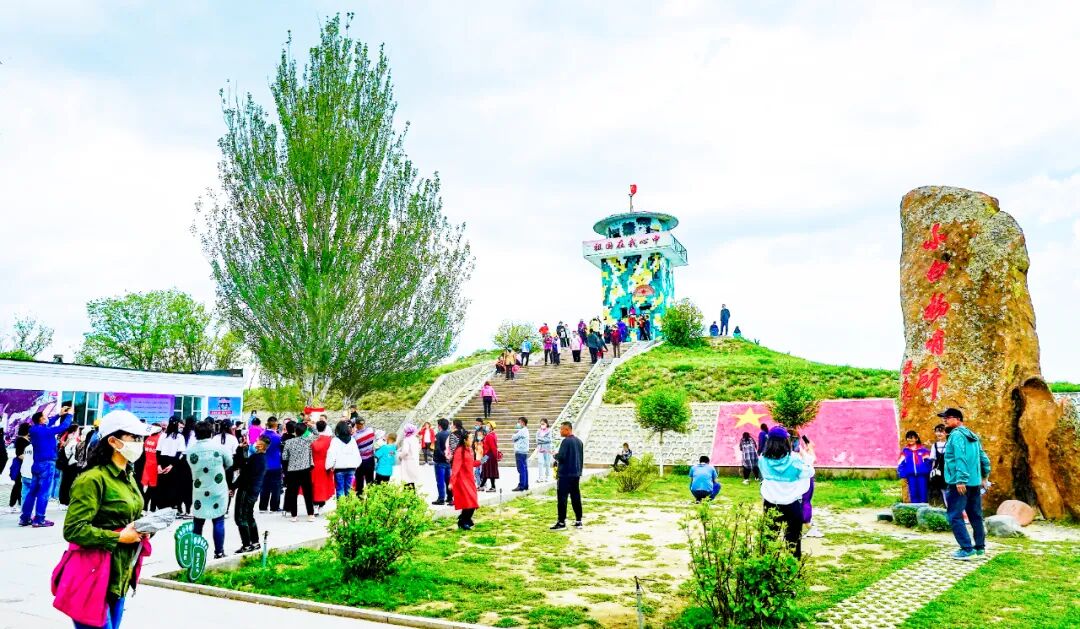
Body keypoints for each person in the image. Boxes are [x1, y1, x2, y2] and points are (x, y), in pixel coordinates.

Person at [60, 410, 156, 629]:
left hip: (119, 576)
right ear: (113, 441)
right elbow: (73, 529)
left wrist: (143, 528)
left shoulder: (128, 475)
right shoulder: (92, 479)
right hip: (92, 577)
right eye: (134, 438)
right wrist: (118, 537)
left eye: (141, 438)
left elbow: (129, 515)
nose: (140, 443)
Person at [940, 408, 991, 560]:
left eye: (947, 417)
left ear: (958, 419)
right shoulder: (972, 435)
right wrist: (984, 476)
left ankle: (967, 549)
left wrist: (961, 479)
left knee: (955, 516)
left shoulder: (956, 435)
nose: (944, 420)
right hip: (974, 482)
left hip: (960, 484)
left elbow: (960, 457)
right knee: (975, 515)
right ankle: (980, 548)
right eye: (944, 418)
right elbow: (983, 457)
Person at [758, 426, 814, 559]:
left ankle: (766, 565)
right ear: (786, 442)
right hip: (792, 505)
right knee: (793, 542)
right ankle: (792, 566)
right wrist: (807, 455)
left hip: (770, 504)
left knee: (769, 539)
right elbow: (810, 472)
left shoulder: (762, 460)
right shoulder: (794, 460)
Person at [20, 406, 74, 527]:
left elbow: (48, 424)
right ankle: (39, 519)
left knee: (32, 492)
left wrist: (59, 415)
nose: (47, 418)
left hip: (36, 464)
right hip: (47, 464)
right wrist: (69, 414)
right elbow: (63, 427)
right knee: (44, 493)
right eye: (45, 417)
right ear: (41, 420)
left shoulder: (34, 430)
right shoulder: (46, 431)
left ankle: (25, 518)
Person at [187, 420, 233, 559]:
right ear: (211, 432)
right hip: (217, 488)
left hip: (199, 488)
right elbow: (229, 462)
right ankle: (219, 552)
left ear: (196, 434)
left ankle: (195, 553)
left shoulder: (190, 450)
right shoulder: (219, 447)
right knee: (218, 520)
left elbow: (190, 466)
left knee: (198, 522)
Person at [235, 434, 268, 553]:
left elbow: (244, 473)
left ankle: (246, 544)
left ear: (261, 446)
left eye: (257, 441)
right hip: (254, 490)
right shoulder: (261, 458)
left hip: (246, 490)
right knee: (249, 515)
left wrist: (233, 486)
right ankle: (255, 542)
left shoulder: (256, 458)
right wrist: (242, 449)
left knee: (241, 517)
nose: (255, 443)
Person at [551, 421, 584, 530]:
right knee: (576, 497)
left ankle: (561, 522)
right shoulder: (579, 442)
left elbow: (562, 457)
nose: (560, 431)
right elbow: (580, 459)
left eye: (561, 429)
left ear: (567, 429)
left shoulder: (566, 441)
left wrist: (555, 455)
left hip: (565, 474)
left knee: (562, 498)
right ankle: (578, 520)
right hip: (576, 474)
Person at [281, 421, 316, 522]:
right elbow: (316, 434)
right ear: (304, 432)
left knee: (293, 493)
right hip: (305, 470)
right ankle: (310, 514)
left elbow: (284, 457)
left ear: (295, 431)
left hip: (292, 471)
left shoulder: (288, 442)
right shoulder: (307, 440)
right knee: (308, 493)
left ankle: (294, 516)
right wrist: (311, 426)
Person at [450, 427, 481, 530]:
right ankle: (464, 521)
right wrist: (452, 482)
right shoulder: (460, 451)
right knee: (469, 501)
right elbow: (455, 467)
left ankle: (465, 519)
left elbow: (472, 463)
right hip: (462, 480)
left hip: (470, 479)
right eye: (470, 438)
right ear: (465, 440)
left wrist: (485, 459)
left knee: (473, 501)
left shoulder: (470, 450)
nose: (472, 440)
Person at [326, 420, 360, 497]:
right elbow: (357, 454)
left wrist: (329, 466)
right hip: (351, 468)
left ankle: (342, 505)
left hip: (339, 470)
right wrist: (356, 465)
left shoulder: (335, 440)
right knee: (349, 490)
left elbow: (331, 454)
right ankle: (349, 504)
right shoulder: (352, 440)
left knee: (340, 490)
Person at [897, 430, 932, 504]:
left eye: (912, 437)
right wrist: (904, 474)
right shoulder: (905, 451)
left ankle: (923, 508)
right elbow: (900, 464)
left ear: (916, 439)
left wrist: (927, 471)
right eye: (908, 438)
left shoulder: (923, 450)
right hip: (911, 475)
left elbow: (929, 462)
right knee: (913, 493)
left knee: (923, 492)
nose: (910, 439)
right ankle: (915, 508)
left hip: (922, 475)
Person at [309, 420, 334, 515]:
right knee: (324, 485)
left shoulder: (312, 438)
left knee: (315, 485)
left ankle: (314, 505)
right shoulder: (329, 439)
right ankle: (321, 505)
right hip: (325, 464)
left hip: (314, 464)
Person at [258, 417, 283, 513]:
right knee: (276, 487)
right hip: (275, 464)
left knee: (264, 486)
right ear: (276, 425)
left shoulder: (262, 435)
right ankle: (274, 507)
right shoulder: (278, 437)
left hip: (264, 463)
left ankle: (263, 507)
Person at [9, 422, 31, 511]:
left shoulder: (28, 439)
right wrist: (29, 459)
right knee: (18, 485)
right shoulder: (20, 440)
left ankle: (19, 504)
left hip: (25, 466)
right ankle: (12, 504)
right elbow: (19, 454)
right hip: (21, 466)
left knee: (21, 485)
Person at [432, 418, 453, 505]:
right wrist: (449, 457)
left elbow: (437, 449)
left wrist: (444, 456)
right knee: (448, 480)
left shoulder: (438, 435)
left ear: (439, 426)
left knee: (440, 481)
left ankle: (441, 499)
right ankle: (450, 497)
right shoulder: (451, 434)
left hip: (440, 461)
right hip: (448, 461)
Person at [926, 423, 949, 507]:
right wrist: (932, 471)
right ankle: (947, 506)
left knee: (949, 488)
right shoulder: (934, 445)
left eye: (941, 431)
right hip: (939, 471)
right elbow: (933, 460)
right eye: (937, 431)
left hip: (948, 469)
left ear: (946, 433)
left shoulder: (950, 444)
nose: (939, 433)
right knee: (942, 489)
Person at [139, 425, 161, 511]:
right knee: (154, 489)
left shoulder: (147, 439)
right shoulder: (159, 439)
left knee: (149, 488)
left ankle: (146, 507)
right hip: (155, 466)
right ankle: (151, 508)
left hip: (148, 465)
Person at [354, 417, 377, 494]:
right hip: (371, 459)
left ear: (356, 425)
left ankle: (359, 498)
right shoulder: (370, 430)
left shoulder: (355, 436)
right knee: (370, 480)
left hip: (361, 461)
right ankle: (371, 497)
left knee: (359, 482)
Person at [397, 423, 423, 490]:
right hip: (414, 461)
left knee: (407, 480)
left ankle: (408, 495)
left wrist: (400, 456)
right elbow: (419, 448)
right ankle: (412, 495)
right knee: (412, 481)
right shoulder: (415, 439)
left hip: (408, 462)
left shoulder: (407, 439)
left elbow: (405, 451)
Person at [480, 422, 500, 492]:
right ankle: (482, 486)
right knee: (486, 471)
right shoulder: (492, 435)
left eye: (488, 426)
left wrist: (496, 456)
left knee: (489, 471)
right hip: (488, 455)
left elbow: (493, 447)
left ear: (491, 427)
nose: (486, 427)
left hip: (489, 455)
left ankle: (492, 487)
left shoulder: (490, 436)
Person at [512, 417, 530, 492]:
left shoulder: (522, 431)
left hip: (520, 451)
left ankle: (521, 485)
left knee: (521, 469)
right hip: (524, 451)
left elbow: (514, 437)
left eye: (519, 422)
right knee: (524, 468)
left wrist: (514, 436)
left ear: (523, 422)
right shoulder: (526, 430)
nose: (518, 424)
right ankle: (525, 485)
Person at [535, 419, 554, 484]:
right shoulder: (538, 431)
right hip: (540, 449)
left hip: (547, 449)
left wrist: (541, 439)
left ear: (546, 424)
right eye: (541, 424)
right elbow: (537, 440)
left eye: (543, 424)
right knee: (540, 462)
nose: (542, 425)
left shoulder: (549, 431)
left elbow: (549, 440)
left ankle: (547, 476)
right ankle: (540, 477)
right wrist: (543, 439)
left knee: (547, 462)